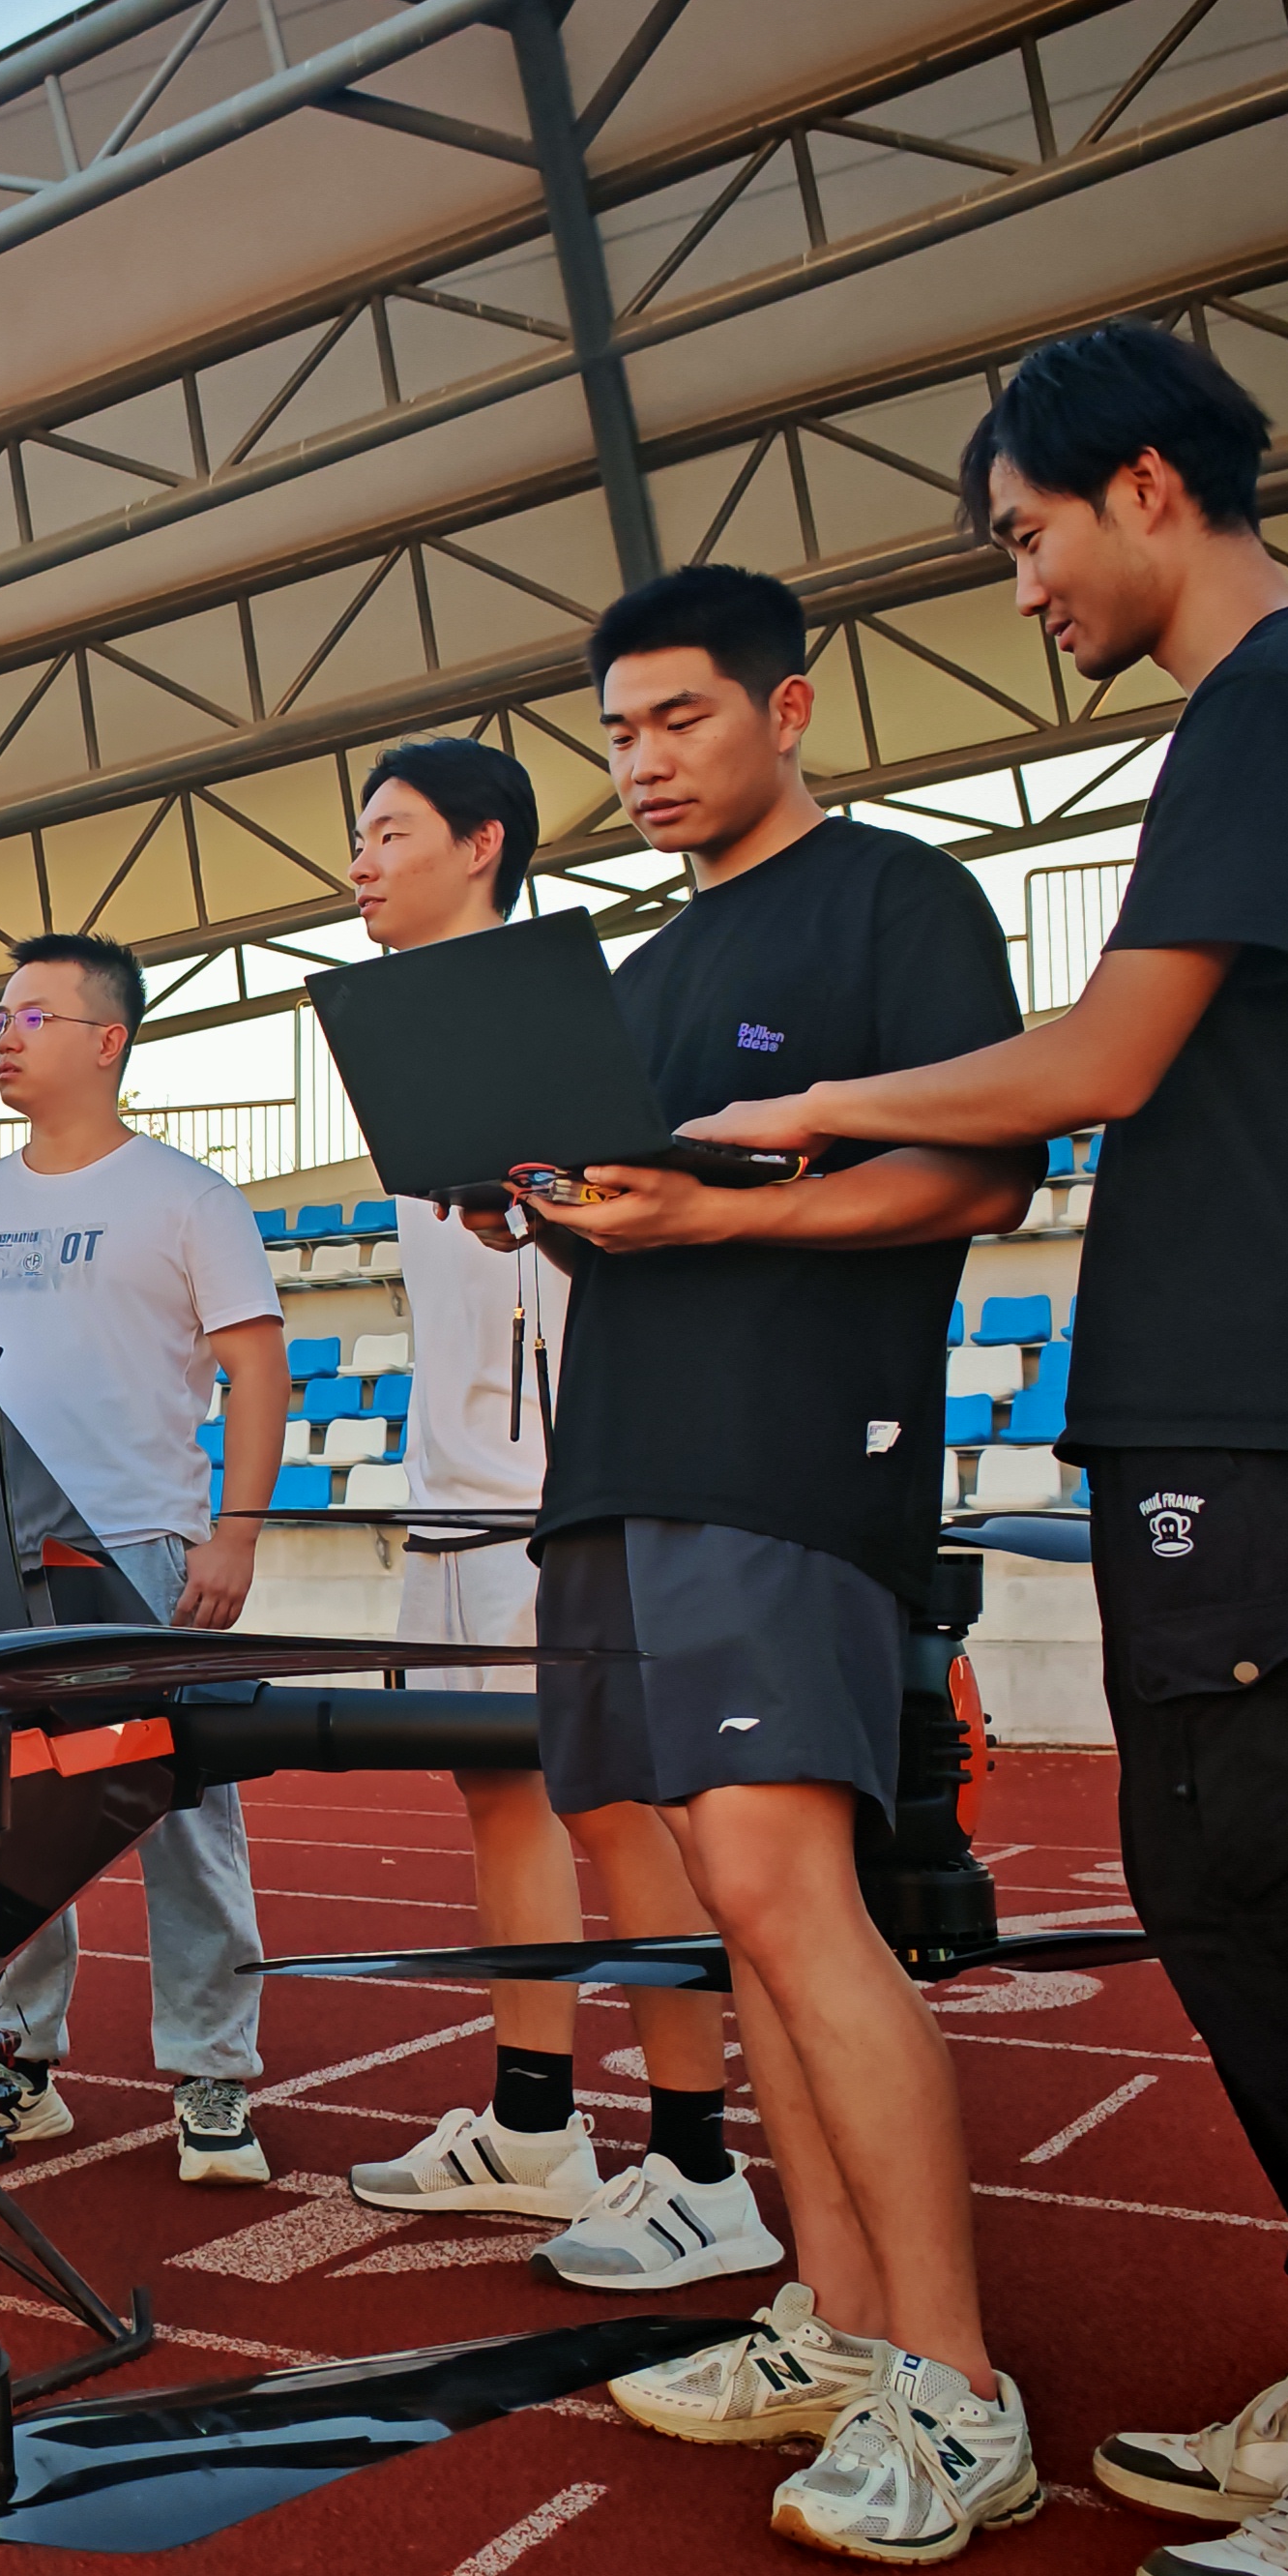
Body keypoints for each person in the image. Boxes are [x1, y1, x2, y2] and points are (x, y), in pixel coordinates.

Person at [687, 323, 1288, 2576]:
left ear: (1145, 482)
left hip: (1278, 1412)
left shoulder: (1278, 694)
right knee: (1235, 1881)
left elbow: (1108, 1053)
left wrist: (803, 1105)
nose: (1019, 586)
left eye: (1024, 532)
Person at [489, 566, 1049, 2566]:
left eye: (677, 721)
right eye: (617, 732)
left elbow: (980, 1170)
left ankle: (955, 2388)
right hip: (625, 1455)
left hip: (790, 1451)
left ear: (785, 708)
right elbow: (624, 1218)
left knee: (792, 1894)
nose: (638, 762)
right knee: (735, 1913)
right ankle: (830, 2322)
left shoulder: (898, 903)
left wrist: (715, 1225)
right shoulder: (632, 978)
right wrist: (535, 1202)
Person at [330, 739, 757, 2292]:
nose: (361, 863)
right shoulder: (398, 1034)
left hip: (556, 1504)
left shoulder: (581, 1015)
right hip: (450, 1494)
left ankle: (702, 2167)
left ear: (484, 844)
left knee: (616, 1810)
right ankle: (531, 2126)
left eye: (389, 834)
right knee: (493, 1801)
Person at [0, 933, 290, 2186]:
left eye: (32, 1016)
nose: (2, 1036)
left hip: (144, 1544)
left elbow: (259, 1369)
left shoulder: (186, 1196)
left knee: (186, 1819)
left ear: (107, 1040)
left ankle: (214, 2078)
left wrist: (233, 1532)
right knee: (2, 1820)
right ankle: (20, 2064)